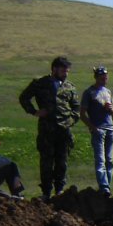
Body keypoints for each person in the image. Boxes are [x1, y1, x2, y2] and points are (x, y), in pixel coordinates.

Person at [19, 55, 81, 200]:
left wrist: (70, 121)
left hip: (64, 130)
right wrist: (34, 111)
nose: (66, 73)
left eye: (67, 71)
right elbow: (24, 97)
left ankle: (59, 190)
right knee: (46, 160)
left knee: (62, 160)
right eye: (63, 70)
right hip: (47, 129)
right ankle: (46, 192)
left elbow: (76, 108)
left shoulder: (69, 87)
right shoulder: (41, 83)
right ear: (54, 69)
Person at [80, 66, 113, 196]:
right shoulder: (89, 92)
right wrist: (91, 126)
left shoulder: (108, 92)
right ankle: (104, 187)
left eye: (106, 77)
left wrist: (111, 109)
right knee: (100, 160)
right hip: (98, 129)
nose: (104, 80)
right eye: (102, 78)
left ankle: (107, 185)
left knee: (109, 160)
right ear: (96, 78)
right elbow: (82, 113)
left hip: (110, 128)